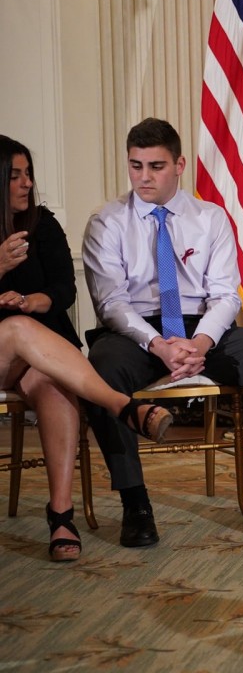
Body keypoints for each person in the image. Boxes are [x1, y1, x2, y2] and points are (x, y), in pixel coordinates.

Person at [82, 118, 243, 547]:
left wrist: (199, 343)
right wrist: (160, 344)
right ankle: (135, 504)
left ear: (180, 164)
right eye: (136, 165)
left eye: (156, 166)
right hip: (138, 333)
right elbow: (111, 303)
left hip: (203, 328)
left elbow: (225, 296)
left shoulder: (211, 218)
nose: (144, 177)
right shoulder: (106, 222)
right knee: (100, 371)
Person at [0, 135, 172, 561]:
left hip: (38, 353)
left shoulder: (44, 224)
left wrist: (31, 301)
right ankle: (120, 405)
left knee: (54, 385)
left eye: (29, 174)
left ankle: (61, 514)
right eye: (14, 176)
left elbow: (62, 288)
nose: (26, 184)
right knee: (19, 328)